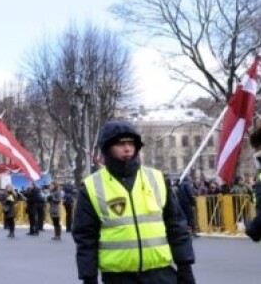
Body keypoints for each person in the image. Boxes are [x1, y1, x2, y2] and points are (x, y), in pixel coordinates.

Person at [72, 120, 196, 284]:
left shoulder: (156, 178)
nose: (127, 148)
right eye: (120, 144)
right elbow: (85, 238)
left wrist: (185, 267)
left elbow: (176, 226)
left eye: (131, 143)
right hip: (119, 277)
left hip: (161, 274)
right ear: (107, 147)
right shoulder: (91, 186)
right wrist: (89, 277)